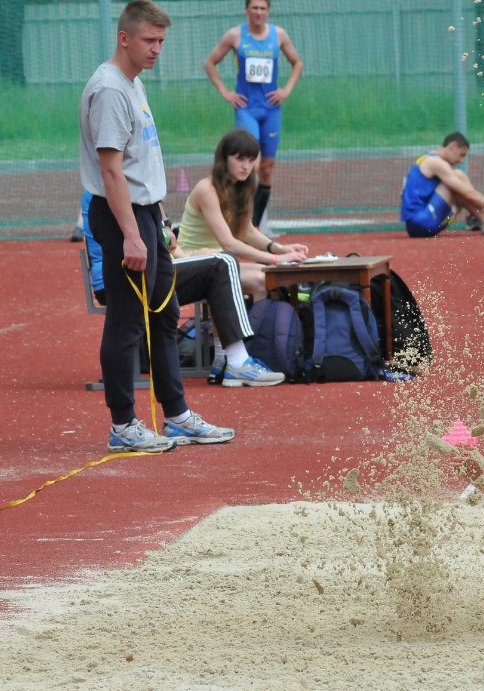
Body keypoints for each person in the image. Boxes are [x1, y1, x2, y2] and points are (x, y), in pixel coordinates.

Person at [81, 0, 234, 453]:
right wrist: (131, 233)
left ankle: (177, 415)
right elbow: (111, 173)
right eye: (149, 40)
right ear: (124, 38)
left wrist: (160, 221)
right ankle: (124, 425)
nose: (157, 49)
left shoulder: (133, 83)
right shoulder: (109, 89)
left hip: (146, 214)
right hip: (119, 215)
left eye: (162, 41)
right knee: (128, 321)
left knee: (164, 314)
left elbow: (141, 161)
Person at [79, 191, 286, 388]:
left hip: (142, 273)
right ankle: (237, 361)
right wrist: (187, 251)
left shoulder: (129, 190)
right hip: (128, 279)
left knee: (221, 265)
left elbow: (164, 241)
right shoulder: (115, 191)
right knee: (222, 263)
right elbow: (155, 241)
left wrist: (183, 250)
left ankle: (224, 360)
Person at [177, 128, 309, 301]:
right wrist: (277, 258)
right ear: (224, 158)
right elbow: (229, 244)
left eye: (251, 160)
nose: (246, 166)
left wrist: (279, 248)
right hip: (192, 263)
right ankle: (246, 328)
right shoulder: (206, 189)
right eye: (239, 159)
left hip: (219, 261)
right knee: (262, 280)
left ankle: (265, 327)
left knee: (274, 278)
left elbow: (247, 231)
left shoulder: (241, 187)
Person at [204, 0, 303, 230]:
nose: (258, 12)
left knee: (267, 169)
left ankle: (254, 227)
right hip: (246, 108)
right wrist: (225, 92)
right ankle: (236, 217)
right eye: (254, 7)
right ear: (246, 9)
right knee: (251, 165)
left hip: (271, 109)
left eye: (263, 8)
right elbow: (210, 63)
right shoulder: (235, 35)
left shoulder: (279, 35)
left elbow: (297, 63)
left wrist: (286, 90)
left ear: (268, 11)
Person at [399, 132, 484, 237]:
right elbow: (469, 194)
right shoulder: (436, 162)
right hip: (423, 221)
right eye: (461, 154)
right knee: (458, 177)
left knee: (459, 185)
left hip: (417, 226)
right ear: (453, 145)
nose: (461, 160)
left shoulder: (427, 159)